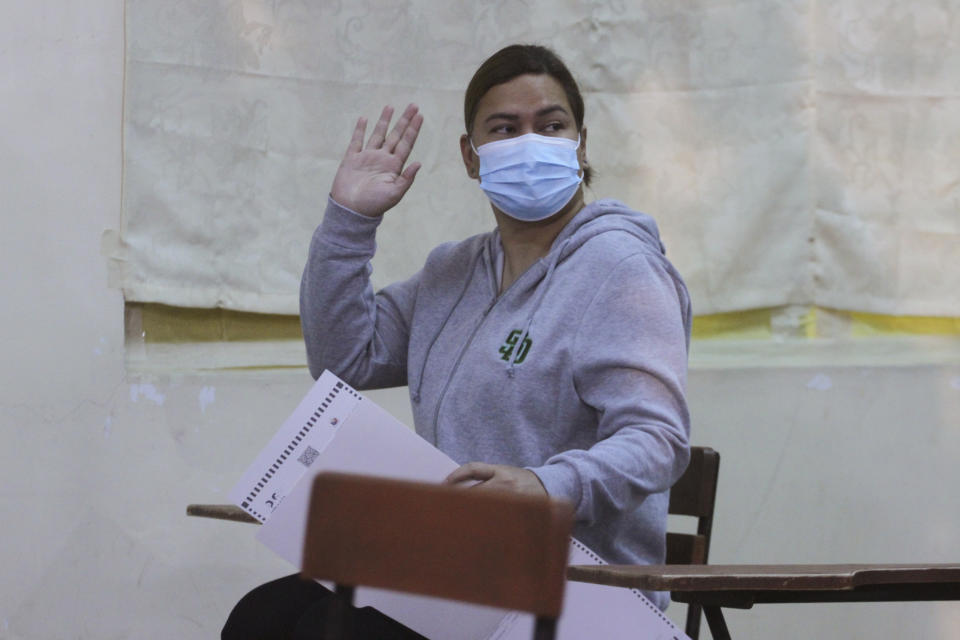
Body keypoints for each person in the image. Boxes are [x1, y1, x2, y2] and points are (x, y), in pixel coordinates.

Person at [223, 43, 691, 640]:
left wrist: (547, 486)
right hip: (461, 568)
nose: (531, 142)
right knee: (264, 618)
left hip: (579, 588)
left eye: (551, 125)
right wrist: (349, 220)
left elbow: (657, 441)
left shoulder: (621, 268)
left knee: (340, 632)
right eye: (505, 128)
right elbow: (345, 360)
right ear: (471, 158)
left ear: (579, 145)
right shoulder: (453, 272)